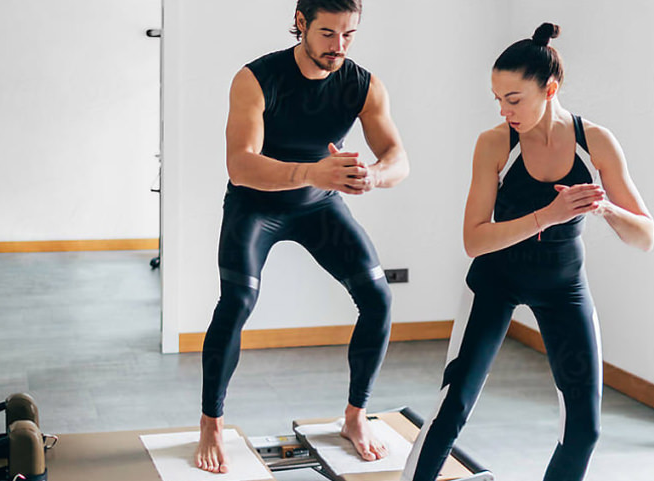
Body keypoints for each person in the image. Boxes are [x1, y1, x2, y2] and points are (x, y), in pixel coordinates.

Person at [402, 23, 653, 481]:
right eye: (497, 99)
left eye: (513, 99)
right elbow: (474, 239)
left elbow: (645, 236)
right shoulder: (495, 143)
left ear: (550, 88)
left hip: (564, 287)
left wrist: (605, 209)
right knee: (452, 407)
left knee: (585, 429)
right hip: (495, 282)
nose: (503, 110)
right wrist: (549, 215)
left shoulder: (594, 141)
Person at [195, 0, 409, 473]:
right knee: (236, 304)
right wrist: (313, 171)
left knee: (377, 297)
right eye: (327, 34)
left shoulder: (363, 85)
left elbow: (398, 157)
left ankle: (355, 416)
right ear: (300, 24)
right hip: (255, 206)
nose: (338, 46)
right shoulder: (256, 78)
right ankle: (211, 422)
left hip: (319, 204)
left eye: (348, 35)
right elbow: (241, 164)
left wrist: (373, 175)